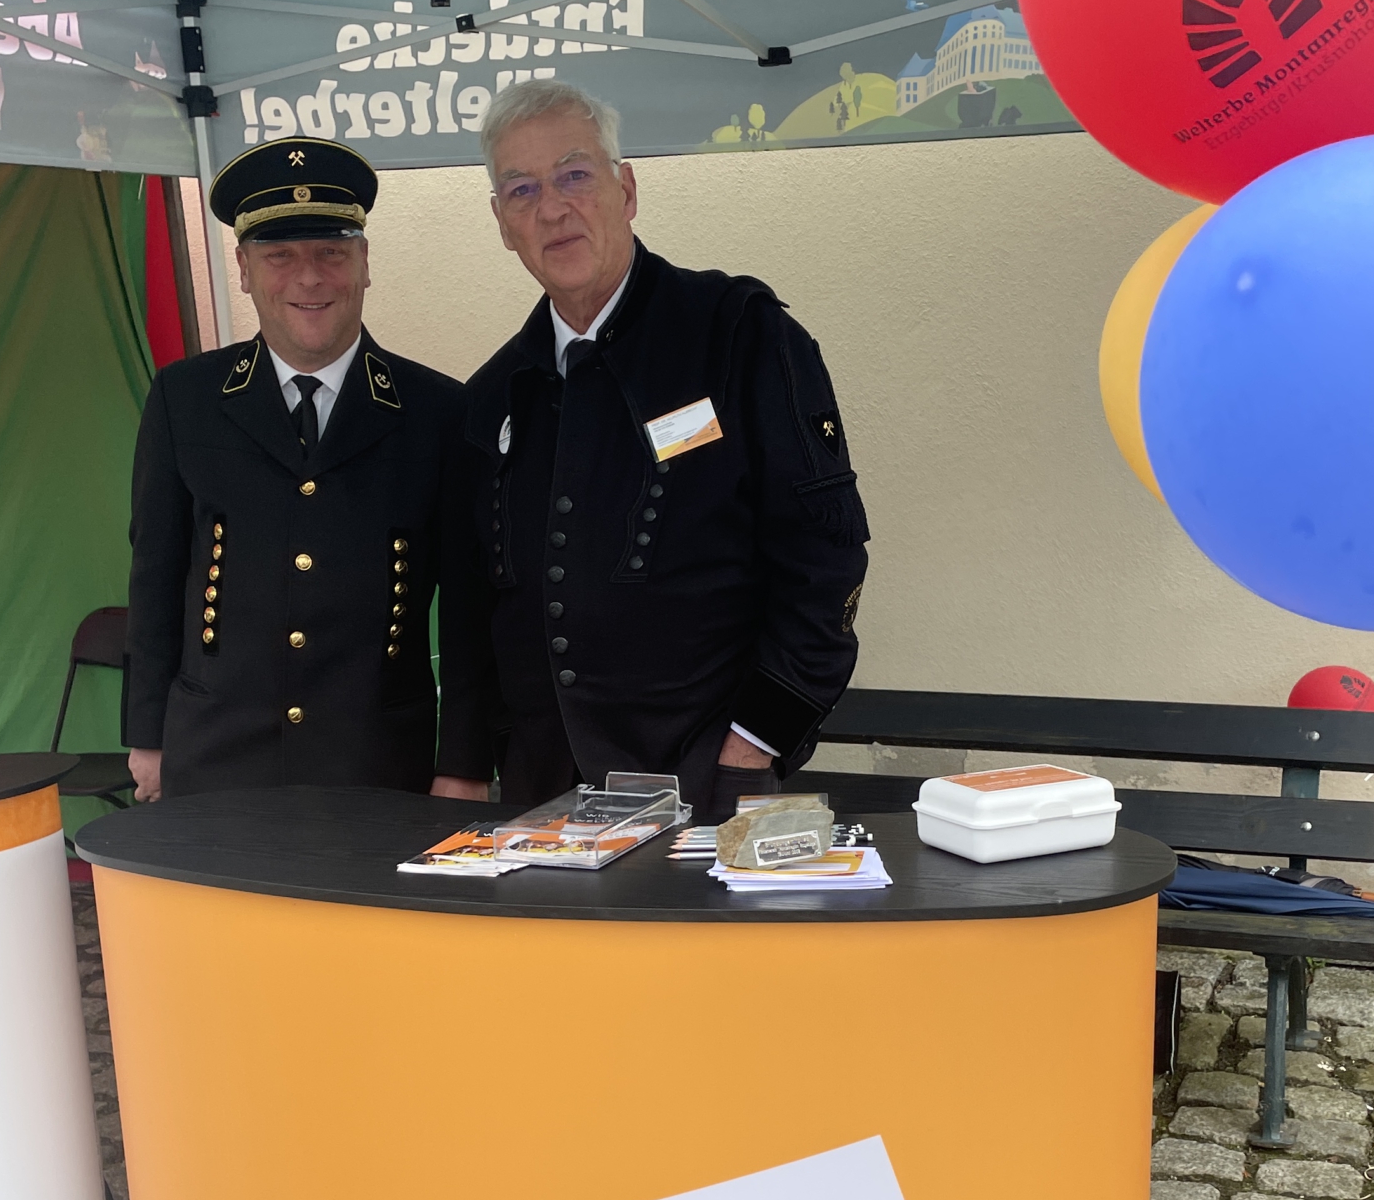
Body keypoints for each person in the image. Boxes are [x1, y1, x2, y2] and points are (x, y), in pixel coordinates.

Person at [433, 82, 868, 816]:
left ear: (626, 188)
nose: (552, 207)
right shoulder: (494, 396)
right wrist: (466, 767)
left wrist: (753, 743)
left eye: (575, 175)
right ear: (503, 223)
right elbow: (478, 614)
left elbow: (825, 559)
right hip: (545, 804)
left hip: (708, 787)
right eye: (521, 190)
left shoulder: (739, 337)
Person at [124, 138, 462, 799]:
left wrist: (464, 762)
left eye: (331, 253)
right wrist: (147, 736)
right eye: (280, 255)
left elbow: (470, 610)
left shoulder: (439, 410)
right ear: (245, 269)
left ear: (364, 263)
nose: (309, 278)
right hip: (216, 756)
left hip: (378, 763)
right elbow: (155, 574)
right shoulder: (184, 399)